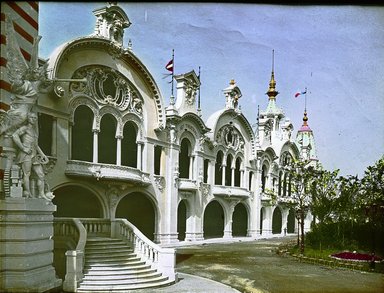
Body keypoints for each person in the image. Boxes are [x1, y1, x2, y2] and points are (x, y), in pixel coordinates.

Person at [12, 112, 49, 198]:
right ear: (28, 118)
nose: (33, 119)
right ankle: (28, 193)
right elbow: (14, 135)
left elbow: (36, 145)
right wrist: (23, 148)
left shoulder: (34, 131)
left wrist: (43, 154)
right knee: (26, 174)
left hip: (34, 155)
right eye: (32, 117)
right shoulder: (25, 128)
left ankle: (41, 194)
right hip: (26, 154)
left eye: (35, 118)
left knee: (41, 174)